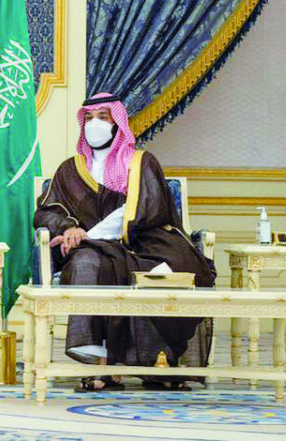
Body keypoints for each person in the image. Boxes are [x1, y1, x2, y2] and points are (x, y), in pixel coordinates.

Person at [33, 92, 215, 391]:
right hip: (92, 249)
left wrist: (88, 234)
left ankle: (159, 362)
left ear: (117, 123)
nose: (94, 124)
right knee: (86, 263)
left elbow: (144, 208)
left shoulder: (141, 162)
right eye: (89, 118)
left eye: (103, 118)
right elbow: (48, 211)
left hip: (144, 240)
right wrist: (67, 228)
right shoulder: (70, 169)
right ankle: (100, 365)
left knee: (164, 268)